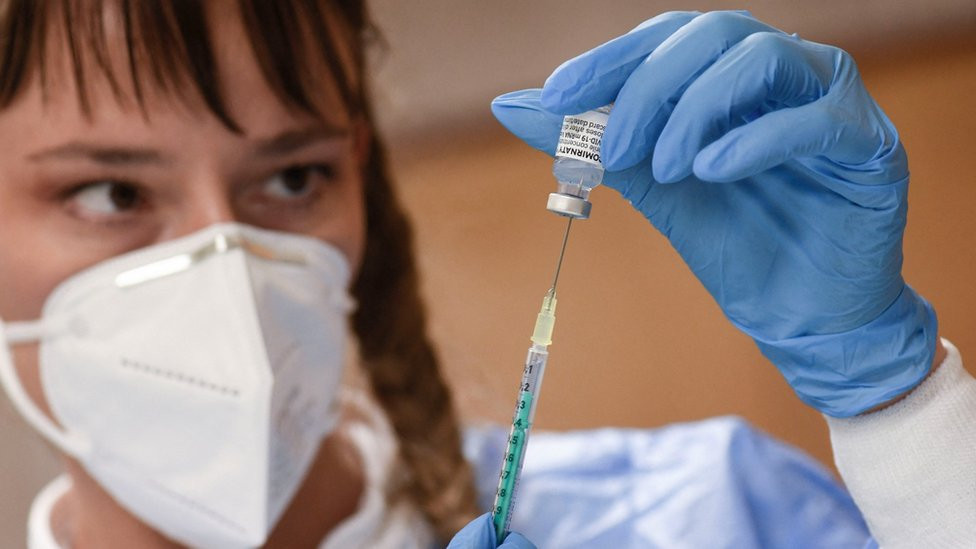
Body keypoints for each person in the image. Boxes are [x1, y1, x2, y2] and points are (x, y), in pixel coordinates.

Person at [0, 3, 970, 549]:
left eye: (293, 178)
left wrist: (901, 414)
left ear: (361, 189)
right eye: (106, 193)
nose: (225, 263)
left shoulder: (704, 519)